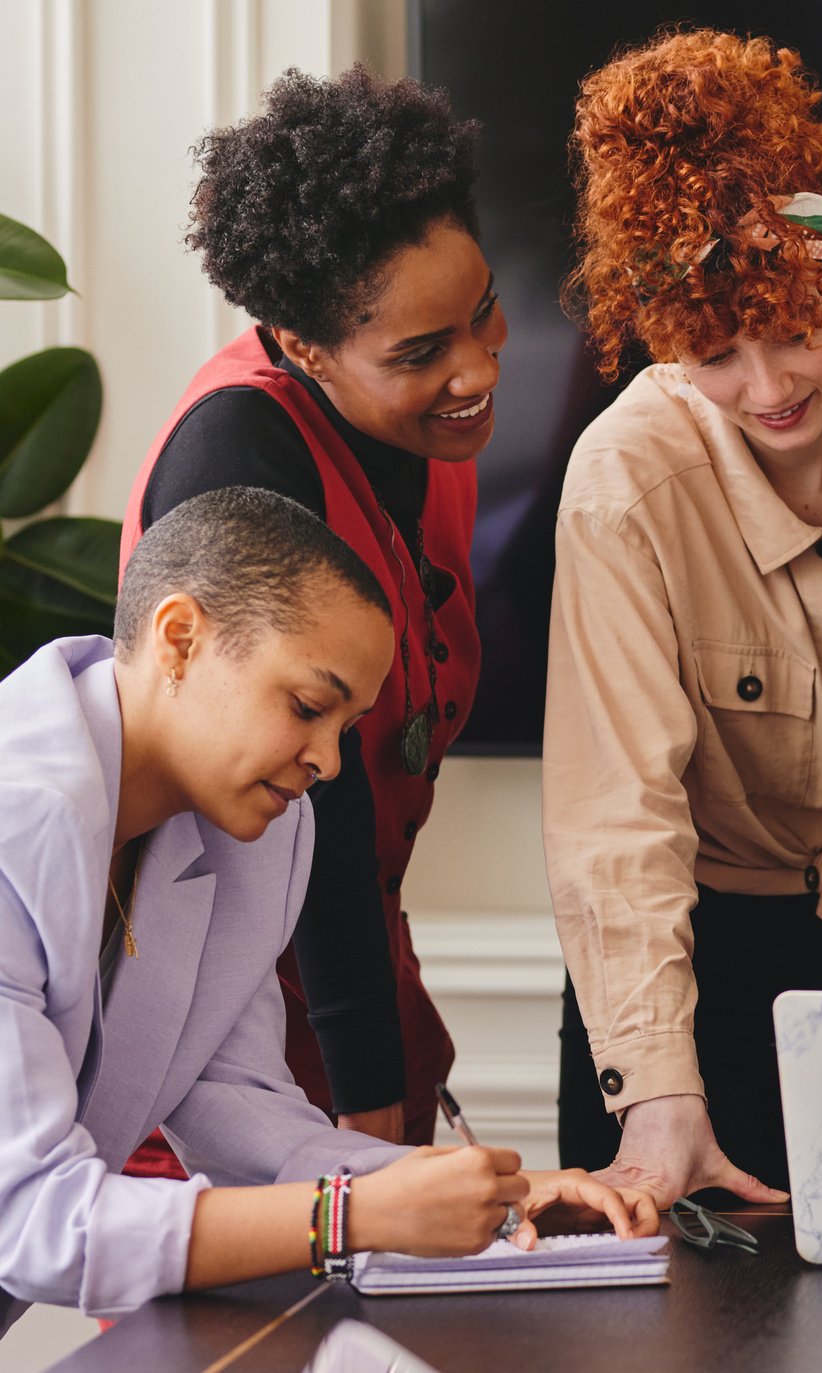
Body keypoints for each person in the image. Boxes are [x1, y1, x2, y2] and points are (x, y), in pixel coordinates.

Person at [0, 489, 654, 1335]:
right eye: (309, 706)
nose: (328, 761)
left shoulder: (258, 830)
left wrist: (498, 1200)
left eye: (346, 725)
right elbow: (30, 1220)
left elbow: (236, 1103)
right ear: (180, 638)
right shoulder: (16, 811)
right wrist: (348, 1215)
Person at [544, 29, 822, 1202]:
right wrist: (664, 1091)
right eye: (714, 355)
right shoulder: (624, 482)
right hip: (703, 977)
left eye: (795, 331)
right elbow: (618, 815)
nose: (768, 389)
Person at [120, 67, 502, 1157]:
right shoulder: (238, 452)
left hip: (363, 980)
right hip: (225, 1035)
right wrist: (362, 1084)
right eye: (421, 354)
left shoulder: (438, 437)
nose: (477, 369)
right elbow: (309, 804)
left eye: (482, 312)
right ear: (302, 344)